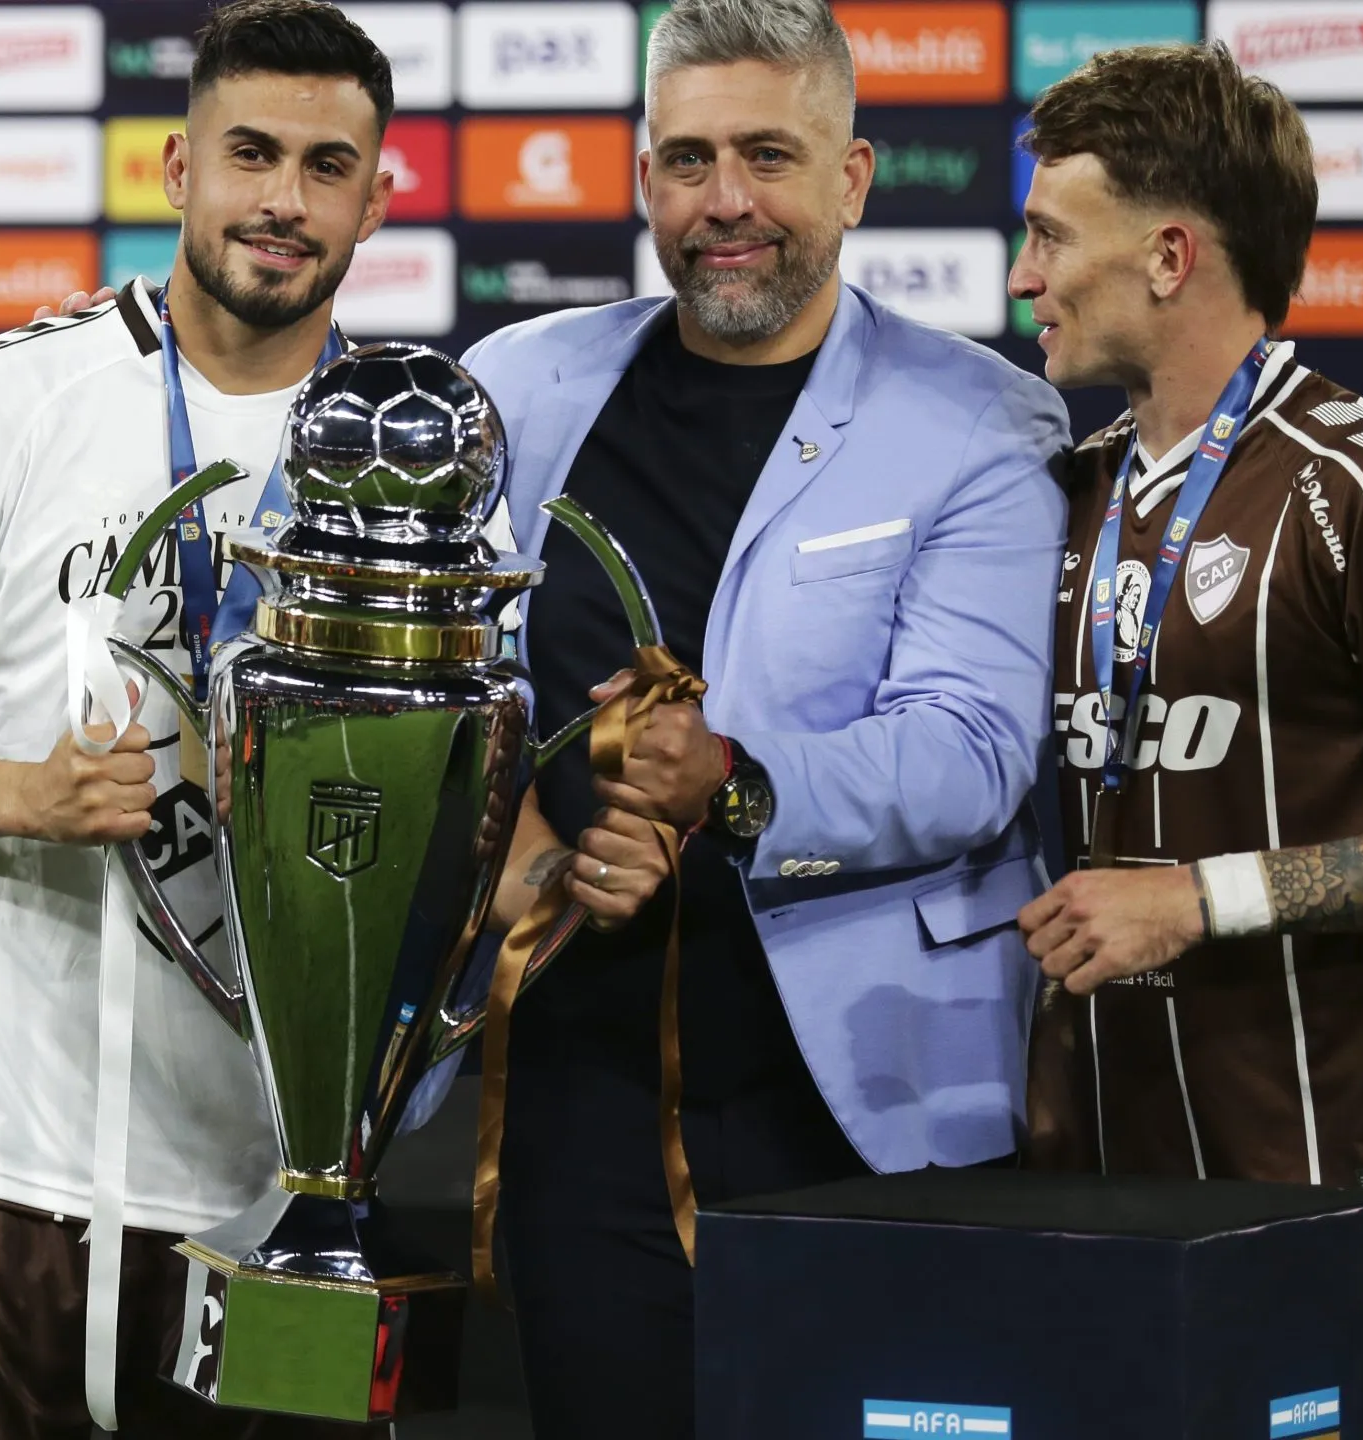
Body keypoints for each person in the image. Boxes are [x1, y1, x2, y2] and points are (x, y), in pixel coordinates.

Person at [0, 3, 437, 1435]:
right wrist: (25, 795)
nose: (282, 199)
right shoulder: (3, 401)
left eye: (328, 167)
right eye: (249, 154)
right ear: (175, 169)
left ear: (378, 198)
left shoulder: (420, 461)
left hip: (273, 1188)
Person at [455, 1, 1073, 1435]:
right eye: (687, 159)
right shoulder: (520, 386)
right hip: (584, 1085)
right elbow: (449, 696)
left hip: (875, 1095)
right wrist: (521, 857)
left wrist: (730, 775)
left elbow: (974, 749)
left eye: (767, 157)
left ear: (852, 179)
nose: (724, 202)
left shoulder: (981, 420)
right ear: (643, 178)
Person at [1012, 43, 1363, 1187]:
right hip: (1090, 1177)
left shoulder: (1353, 488)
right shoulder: (1063, 493)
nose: (1024, 279)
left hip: (1319, 1187)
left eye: (1050, 236)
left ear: (1168, 257)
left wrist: (1200, 899)